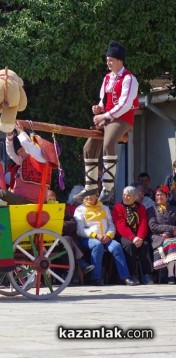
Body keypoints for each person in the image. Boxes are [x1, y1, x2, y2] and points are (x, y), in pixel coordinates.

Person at [75, 41, 139, 203]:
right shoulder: (107, 78)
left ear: (120, 61)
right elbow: (104, 100)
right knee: (88, 147)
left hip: (122, 119)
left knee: (108, 143)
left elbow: (125, 104)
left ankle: (108, 187)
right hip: (108, 118)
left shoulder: (130, 79)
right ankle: (90, 186)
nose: (108, 62)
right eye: (107, 59)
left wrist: (104, 116)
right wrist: (99, 108)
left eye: (111, 59)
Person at [74, 193, 135, 286]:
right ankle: (96, 278)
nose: (88, 197)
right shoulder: (80, 209)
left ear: (96, 196)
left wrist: (109, 235)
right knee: (97, 245)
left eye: (91, 194)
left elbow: (111, 224)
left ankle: (125, 277)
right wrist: (95, 235)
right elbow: (79, 229)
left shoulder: (104, 208)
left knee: (116, 246)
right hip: (88, 239)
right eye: (86, 195)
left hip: (105, 237)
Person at [0, 122, 51, 206]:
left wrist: (21, 131)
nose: (19, 153)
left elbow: (29, 146)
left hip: (32, 203)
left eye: (21, 150)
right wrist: (9, 135)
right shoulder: (23, 161)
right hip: (19, 200)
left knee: (1, 195)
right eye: (18, 151)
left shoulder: (41, 159)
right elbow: (11, 153)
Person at [47, 189, 94, 277]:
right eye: (50, 199)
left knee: (68, 240)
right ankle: (81, 264)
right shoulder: (43, 211)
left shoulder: (60, 209)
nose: (52, 201)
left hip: (61, 240)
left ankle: (67, 273)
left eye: (54, 199)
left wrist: (59, 226)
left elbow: (73, 223)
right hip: (47, 241)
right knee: (68, 240)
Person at [112, 185, 154, 285]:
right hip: (124, 235)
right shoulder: (118, 207)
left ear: (134, 197)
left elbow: (143, 223)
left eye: (128, 196)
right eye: (124, 195)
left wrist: (140, 237)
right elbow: (121, 226)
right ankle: (132, 274)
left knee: (145, 244)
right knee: (129, 245)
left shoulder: (141, 207)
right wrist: (133, 238)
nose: (125, 197)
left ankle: (146, 274)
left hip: (137, 235)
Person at [147, 185, 176, 283]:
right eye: (157, 195)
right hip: (157, 236)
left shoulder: (174, 209)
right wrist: (171, 229)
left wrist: (168, 232)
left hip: (171, 235)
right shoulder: (152, 210)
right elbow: (153, 226)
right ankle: (170, 275)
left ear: (167, 196)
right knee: (171, 243)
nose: (159, 197)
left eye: (162, 195)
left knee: (172, 241)